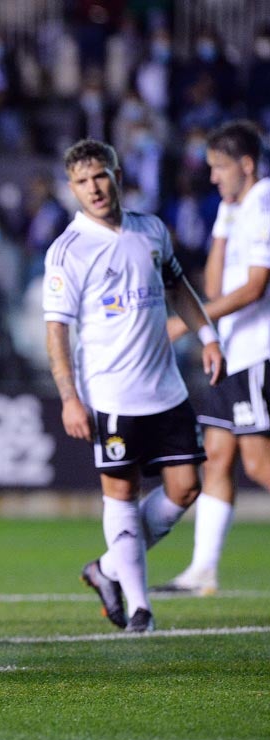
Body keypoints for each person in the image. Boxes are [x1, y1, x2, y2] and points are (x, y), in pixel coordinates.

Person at [43, 138, 225, 633]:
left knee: (186, 488)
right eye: (82, 181)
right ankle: (140, 608)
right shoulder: (68, 251)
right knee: (122, 495)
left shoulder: (151, 229)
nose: (94, 188)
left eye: (100, 176)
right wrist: (69, 397)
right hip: (111, 395)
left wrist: (208, 336)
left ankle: (107, 568)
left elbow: (178, 287)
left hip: (166, 388)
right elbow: (56, 331)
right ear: (72, 189)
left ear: (118, 177)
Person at [158, 120, 270, 594]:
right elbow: (215, 284)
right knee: (218, 456)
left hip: (259, 349)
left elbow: (255, 287)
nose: (212, 177)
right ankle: (202, 569)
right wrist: (224, 220)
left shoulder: (264, 201)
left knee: (258, 463)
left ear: (247, 164)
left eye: (220, 167)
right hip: (232, 352)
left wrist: (189, 321)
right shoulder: (237, 208)